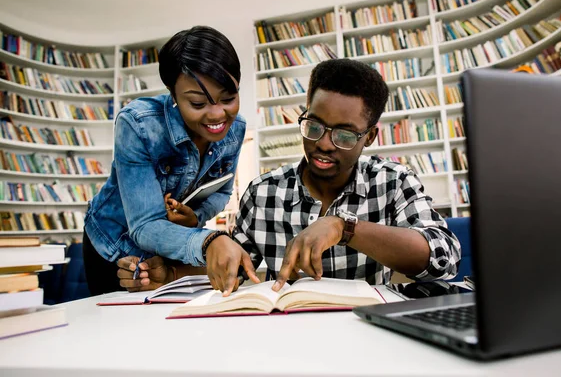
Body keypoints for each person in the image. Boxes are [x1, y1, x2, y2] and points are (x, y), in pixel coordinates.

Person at [119, 59, 461, 296]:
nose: (323, 144)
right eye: (313, 126)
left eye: (344, 135)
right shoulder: (263, 192)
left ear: (369, 137)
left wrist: (344, 227)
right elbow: (239, 266)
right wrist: (173, 274)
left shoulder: (393, 182)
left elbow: (444, 257)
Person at [83, 25, 248, 295]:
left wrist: (195, 218)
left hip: (173, 246)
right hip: (113, 246)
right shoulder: (138, 125)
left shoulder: (236, 129)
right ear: (173, 94)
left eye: (228, 98)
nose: (218, 115)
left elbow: (223, 192)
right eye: (198, 104)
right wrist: (208, 240)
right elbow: (145, 224)